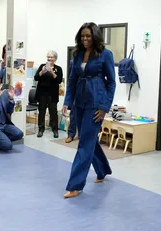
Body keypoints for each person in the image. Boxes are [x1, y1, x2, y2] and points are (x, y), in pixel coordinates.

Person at [62, 22, 116, 198]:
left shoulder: (105, 54)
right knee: (89, 139)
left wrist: (104, 107)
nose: (85, 39)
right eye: (83, 36)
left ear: (95, 36)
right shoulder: (77, 54)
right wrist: (67, 102)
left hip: (96, 103)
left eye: (88, 36)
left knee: (84, 142)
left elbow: (111, 82)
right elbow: (72, 80)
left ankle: (75, 185)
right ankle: (102, 170)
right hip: (80, 102)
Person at [34, 50, 63, 138]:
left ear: (55, 59)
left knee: (53, 112)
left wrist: (52, 72)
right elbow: (36, 78)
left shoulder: (58, 68)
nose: (49, 59)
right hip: (42, 93)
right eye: (48, 57)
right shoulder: (42, 66)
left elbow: (59, 80)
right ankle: (41, 129)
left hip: (52, 94)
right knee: (41, 111)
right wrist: (42, 72)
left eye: (51, 57)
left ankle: (55, 130)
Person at [65, 59, 78, 143]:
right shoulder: (74, 62)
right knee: (73, 115)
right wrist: (66, 102)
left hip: (90, 94)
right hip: (77, 92)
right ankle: (71, 135)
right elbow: (71, 82)